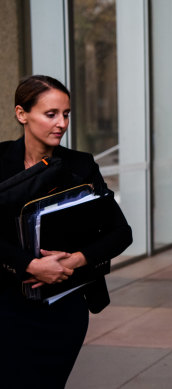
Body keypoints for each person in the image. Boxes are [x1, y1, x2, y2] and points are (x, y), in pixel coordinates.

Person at [0, 75, 132, 388]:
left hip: (63, 307)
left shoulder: (81, 166)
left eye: (66, 114)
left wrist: (70, 263)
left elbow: (120, 232)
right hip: (6, 305)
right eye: (51, 114)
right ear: (22, 114)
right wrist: (30, 265)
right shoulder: (0, 161)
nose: (61, 123)